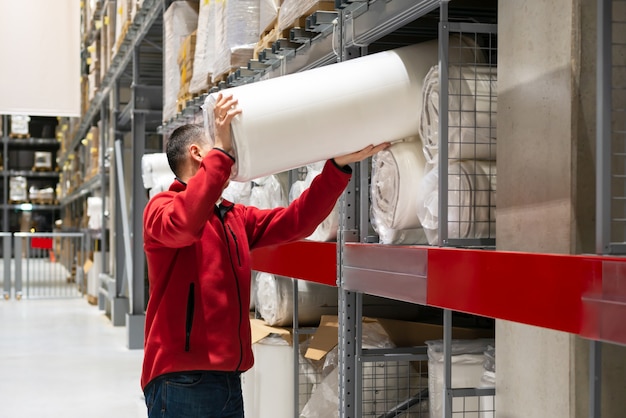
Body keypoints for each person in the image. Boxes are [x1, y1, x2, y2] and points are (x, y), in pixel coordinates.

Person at [141, 93, 389, 417]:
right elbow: (187, 224)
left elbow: (297, 221)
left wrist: (337, 167)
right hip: (182, 380)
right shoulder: (160, 210)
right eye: (223, 147)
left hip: (228, 379)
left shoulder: (233, 217)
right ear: (198, 153)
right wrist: (221, 149)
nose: (231, 154)